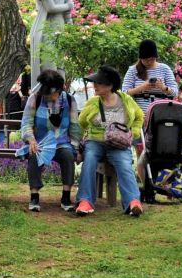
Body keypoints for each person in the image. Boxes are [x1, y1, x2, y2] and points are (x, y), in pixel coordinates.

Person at [75, 65, 145, 217]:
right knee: (90, 160)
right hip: (95, 141)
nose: (94, 86)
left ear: (110, 85)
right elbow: (81, 123)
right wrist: (77, 145)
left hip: (118, 144)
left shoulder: (126, 100)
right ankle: (85, 201)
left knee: (125, 164)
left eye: (98, 83)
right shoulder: (93, 102)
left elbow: (140, 116)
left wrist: (133, 132)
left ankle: (133, 202)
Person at [19, 69, 81, 212]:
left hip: (62, 143)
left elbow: (74, 126)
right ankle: (34, 196)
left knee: (67, 156)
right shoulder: (35, 98)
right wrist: (31, 140)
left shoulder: (70, 100)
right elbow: (26, 123)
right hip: (40, 143)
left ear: (59, 89)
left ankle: (66, 197)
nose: (47, 96)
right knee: (34, 155)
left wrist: (75, 147)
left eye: (50, 93)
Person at [122, 39, 179, 114]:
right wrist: (141, 87)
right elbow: (124, 93)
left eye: (152, 59)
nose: (149, 62)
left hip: (161, 115)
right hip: (139, 115)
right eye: (146, 60)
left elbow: (175, 93)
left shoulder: (165, 69)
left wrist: (163, 87)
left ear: (156, 57)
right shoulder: (133, 70)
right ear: (141, 58)